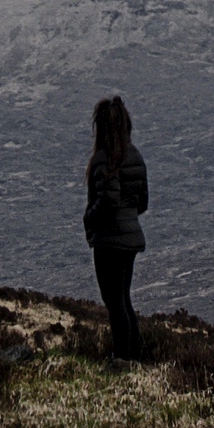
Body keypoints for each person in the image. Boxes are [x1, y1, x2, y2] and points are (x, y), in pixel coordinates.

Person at [82, 95, 150, 361]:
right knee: (123, 298)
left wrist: (90, 217)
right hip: (131, 238)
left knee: (114, 301)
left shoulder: (104, 159)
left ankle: (122, 360)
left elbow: (108, 199)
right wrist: (128, 215)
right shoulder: (135, 156)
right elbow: (142, 202)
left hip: (109, 240)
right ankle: (135, 357)